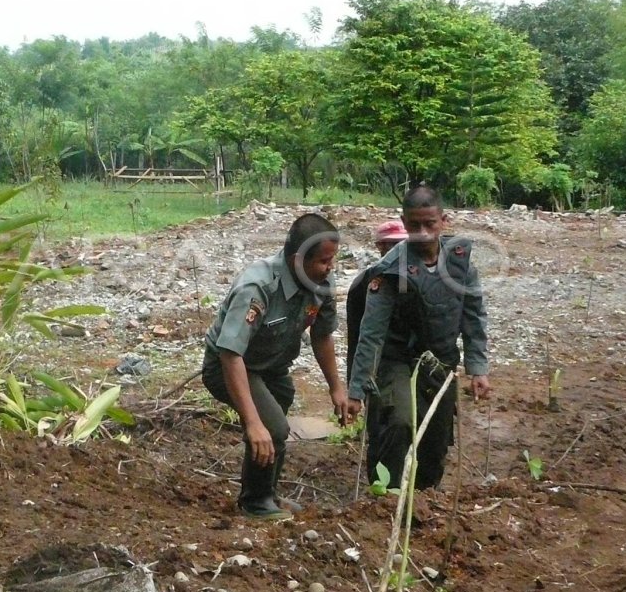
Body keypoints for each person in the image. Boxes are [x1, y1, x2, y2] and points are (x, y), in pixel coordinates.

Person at [202, 213, 351, 521]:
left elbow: (322, 334)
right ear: (298, 260)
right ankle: (255, 503)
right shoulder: (257, 287)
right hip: (228, 366)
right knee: (271, 427)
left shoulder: (320, 283)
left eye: (332, 260)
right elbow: (230, 355)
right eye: (324, 261)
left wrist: (336, 388)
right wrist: (253, 423)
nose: (330, 268)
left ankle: (264, 491)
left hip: (271, 367)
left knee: (278, 409)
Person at [345, 187, 490, 491]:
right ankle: (386, 494)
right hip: (395, 358)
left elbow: (473, 315)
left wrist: (478, 368)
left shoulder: (460, 263)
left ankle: (425, 497)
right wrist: (357, 390)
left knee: (435, 438)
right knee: (398, 422)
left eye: (430, 224)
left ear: (443, 221)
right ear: (404, 223)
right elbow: (370, 333)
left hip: (440, 359)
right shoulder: (389, 271)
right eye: (414, 226)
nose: (423, 233)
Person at [344, 219, 407, 366]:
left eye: (404, 244)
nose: (400, 251)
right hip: (378, 357)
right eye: (394, 245)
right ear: (380, 246)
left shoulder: (413, 278)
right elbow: (355, 336)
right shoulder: (363, 283)